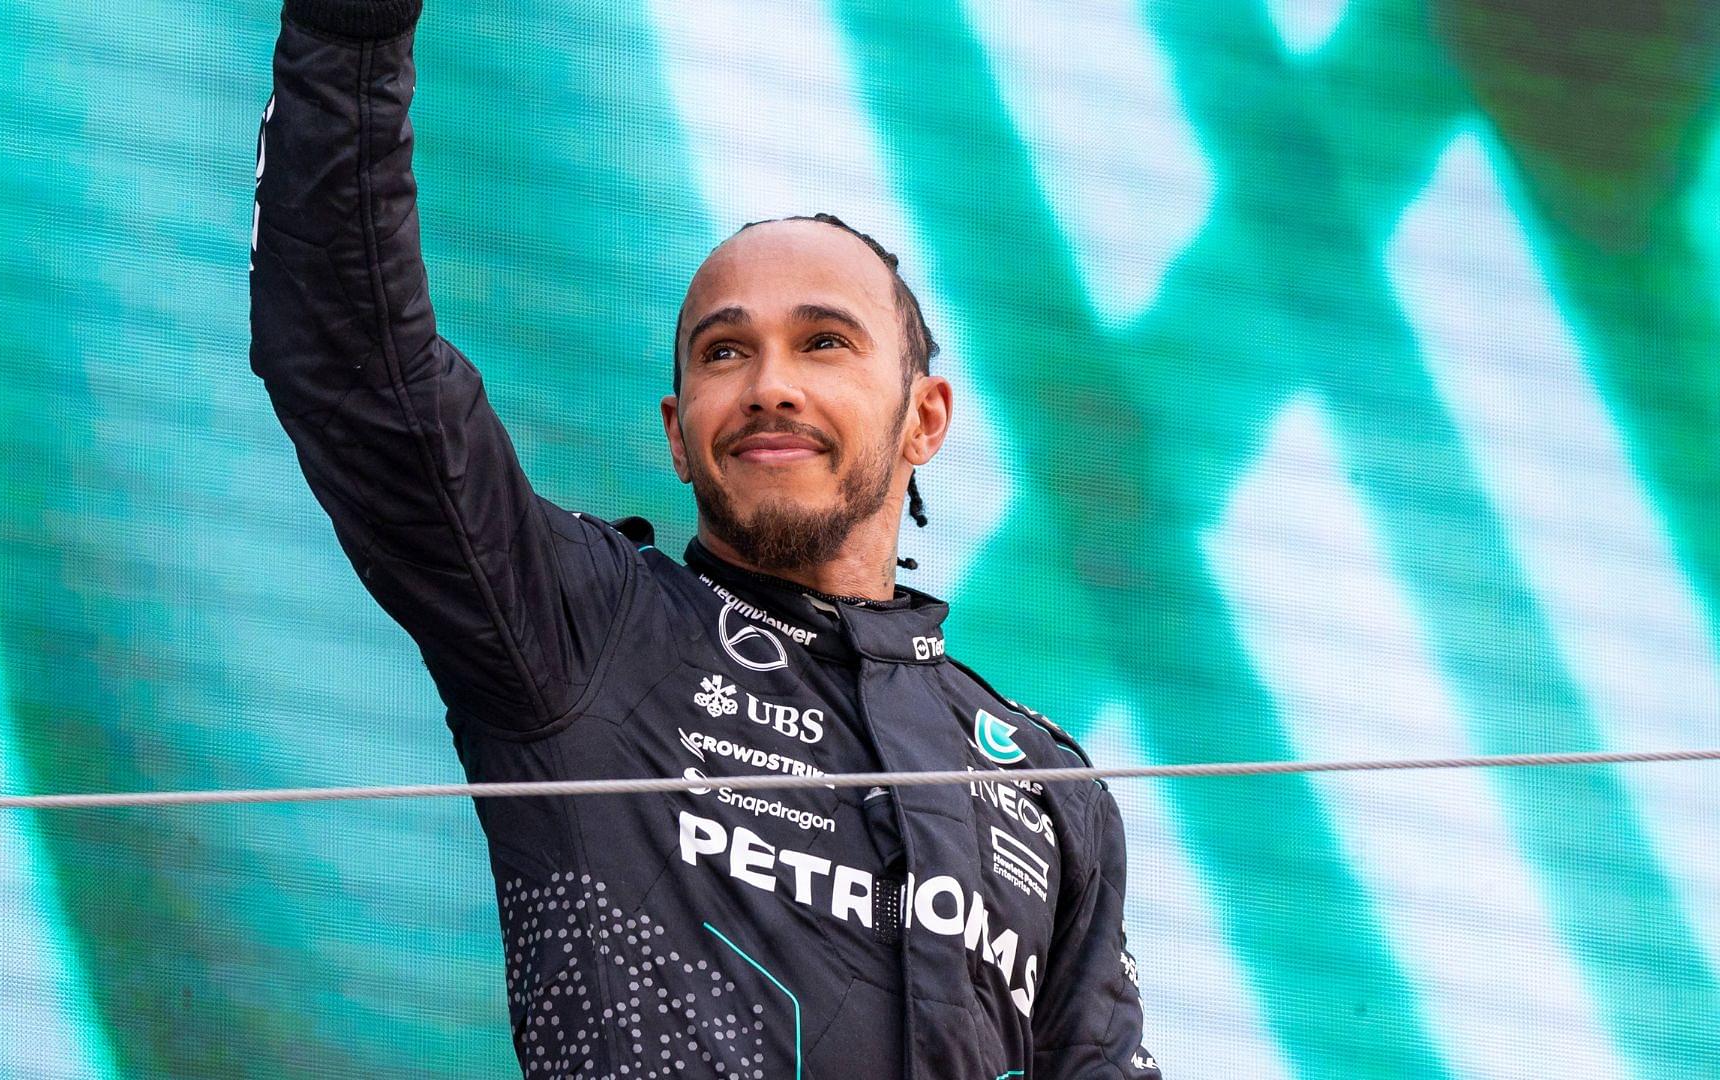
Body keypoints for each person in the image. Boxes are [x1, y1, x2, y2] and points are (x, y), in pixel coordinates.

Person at [250, 0, 1162, 1075]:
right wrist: (349, 34)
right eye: (726, 354)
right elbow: (356, 370)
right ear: (680, 437)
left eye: (824, 343)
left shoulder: (1048, 789)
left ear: (925, 419)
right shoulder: (585, 627)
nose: (771, 386)